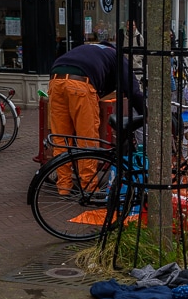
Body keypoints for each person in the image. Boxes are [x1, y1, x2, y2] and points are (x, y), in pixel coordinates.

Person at [48, 41, 146, 195]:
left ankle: (64, 186)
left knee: (61, 138)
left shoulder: (89, 49)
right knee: (86, 139)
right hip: (80, 84)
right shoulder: (118, 56)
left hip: (55, 81)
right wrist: (145, 114)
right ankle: (89, 187)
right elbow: (134, 92)